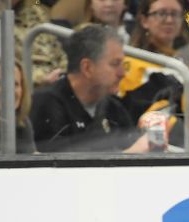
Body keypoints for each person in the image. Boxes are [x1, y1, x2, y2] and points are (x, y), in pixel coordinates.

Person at [30, 24, 149, 152]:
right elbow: (56, 166)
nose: (122, 73)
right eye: (115, 64)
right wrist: (129, 155)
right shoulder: (46, 105)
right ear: (87, 68)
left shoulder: (114, 108)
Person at [122, 0, 189, 145]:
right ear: (144, 20)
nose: (169, 20)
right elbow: (141, 114)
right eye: (161, 13)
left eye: (175, 14)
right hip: (171, 145)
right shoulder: (133, 63)